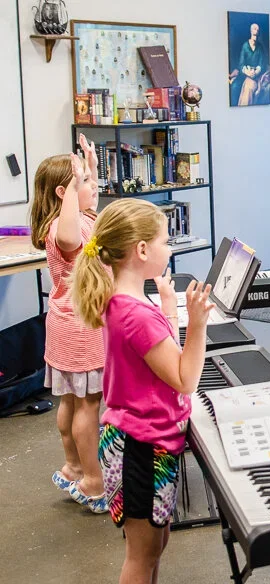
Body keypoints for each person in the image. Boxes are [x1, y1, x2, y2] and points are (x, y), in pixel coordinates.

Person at [71, 198, 214, 584]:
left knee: (156, 543)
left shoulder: (125, 301)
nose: (170, 248)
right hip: (141, 447)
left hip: (141, 441)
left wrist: (168, 305)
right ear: (143, 250)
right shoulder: (134, 314)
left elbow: (158, 351)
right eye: (166, 241)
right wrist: (197, 324)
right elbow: (185, 379)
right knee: (142, 553)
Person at [29, 135, 107, 513]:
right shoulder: (65, 228)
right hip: (81, 330)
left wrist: (88, 169)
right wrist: (75, 188)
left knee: (71, 401)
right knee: (88, 405)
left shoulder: (75, 218)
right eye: (87, 183)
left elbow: (89, 218)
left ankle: (74, 465)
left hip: (64, 327)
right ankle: (93, 480)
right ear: (64, 193)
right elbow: (72, 234)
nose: (94, 187)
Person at [232, 22, 268, 106]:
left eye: (258, 30)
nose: (257, 31)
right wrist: (247, 72)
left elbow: (261, 64)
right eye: (255, 29)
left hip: (256, 75)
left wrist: (256, 72)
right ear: (251, 31)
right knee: (234, 87)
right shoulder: (245, 46)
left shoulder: (260, 47)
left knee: (250, 87)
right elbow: (241, 64)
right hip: (245, 74)